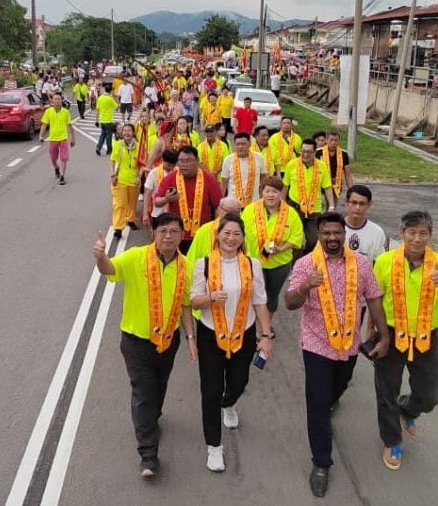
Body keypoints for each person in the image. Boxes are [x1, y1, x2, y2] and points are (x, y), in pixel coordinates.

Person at [284, 212, 389, 497]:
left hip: (349, 344)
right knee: (317, 403)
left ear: (345, 235)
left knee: (338, 387)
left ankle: (331, 401)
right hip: (316, 344)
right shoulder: (306, 265)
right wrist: (307, 285)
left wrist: (384, 334)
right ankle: (321, 462)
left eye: (336, 233)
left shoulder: (362, 264)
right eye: (326, 233)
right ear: (319, 235)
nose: (332, 238)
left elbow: (374, 298)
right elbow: (290, 303)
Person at [92, 213, 197, 478]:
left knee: (159, 386)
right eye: (163, 232)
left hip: (168, 342)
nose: (168, 237)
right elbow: (109, 270)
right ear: (154, 233)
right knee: (143, 391)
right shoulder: (136, 256)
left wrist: (190, 339)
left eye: (174, 232)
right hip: (136, 342)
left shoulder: (186, 267)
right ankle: (148, 455)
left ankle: (153, 415)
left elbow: (185, 305)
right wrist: (100, 256)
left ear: (182, 235)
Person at [372, 210, 438, 472]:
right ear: (402, 234)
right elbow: (375, 300)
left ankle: (407, 411)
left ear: (430, 235)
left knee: (431, 393)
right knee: (386, 392)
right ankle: (392, 441)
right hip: (391, 333)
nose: (417, 239)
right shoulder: (385, 261)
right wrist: (372, 334)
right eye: (411, 232)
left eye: (423, 233)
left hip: (425, 336)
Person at [190, 214, 273, 473]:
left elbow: (259, 301)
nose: (231, 238)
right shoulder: (203, 264)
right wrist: (210, 297)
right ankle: (214, 447)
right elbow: (194, 301)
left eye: (236, 234)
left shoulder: (252, 264)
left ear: (242, 238)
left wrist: (266, 336)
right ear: (217, 235)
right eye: (226, 233)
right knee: (210, 391)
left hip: (243, 333)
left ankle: (230, 404)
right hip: (211, 335)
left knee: (239, 382)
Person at [242, 175, 304, 318]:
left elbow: (297, 237)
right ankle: (257, 326)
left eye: (275, 192)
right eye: (267, 191)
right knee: (256, 294)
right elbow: (241, 234)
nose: (271, 195)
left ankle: (268, 323)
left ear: (281, 193)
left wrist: (281, 248)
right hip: (255, 261)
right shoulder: (249, 210)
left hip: (279, 264)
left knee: (272, 296)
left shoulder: (291, 214)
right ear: (261, 192)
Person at [155, 146, 223, 255]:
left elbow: (219, 206)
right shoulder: (171, 178)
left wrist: (217, 229)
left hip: (202, 233)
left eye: (189, 161)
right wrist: (166, 199)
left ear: (197, 161)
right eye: (181, 161)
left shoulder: (209, 178)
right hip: (177, 234)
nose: (184, 164)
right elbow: (157, 202)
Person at [282, 139, 333, 254]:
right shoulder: (292, 164)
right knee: (295, 238)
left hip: (314, 209)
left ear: (315, 152)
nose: (305, 154)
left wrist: (331, 206)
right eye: (303, 151)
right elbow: (285, 186)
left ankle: (306, 257)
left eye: (309, 152)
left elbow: (328, 187)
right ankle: (295, 261)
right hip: (295, 206)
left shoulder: (322, 166)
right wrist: (282, 204)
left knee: (313, 240)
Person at [185, 196, 242, 267]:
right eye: (228, 211)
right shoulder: (204, 230)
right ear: (219, 210)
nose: (231, 216)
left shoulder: (243, 231)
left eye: (235, 212)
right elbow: (191, 262)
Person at [109, 123, 141, 237]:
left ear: (133, 133)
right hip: (120, 180)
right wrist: (112, 174)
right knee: (120, 204)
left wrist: (139, 176)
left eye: (129, 131)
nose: (127, 133)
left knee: (132, 203)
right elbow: (112, 160)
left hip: (134, 181)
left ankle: (131, 220)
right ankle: (118, 228)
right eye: (124, 131)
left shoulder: (139, 147)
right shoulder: (118, 145)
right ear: (122, 133)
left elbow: (142, 164)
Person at [344, 185, 388, 263]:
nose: (357, 207)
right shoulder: (334, 229)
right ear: (346, 202)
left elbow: (380, 262)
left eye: (362, 204)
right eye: (354, 203)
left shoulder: (377, 232)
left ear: (369, 204)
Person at [39, 92, 76, 185]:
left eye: (59, 99)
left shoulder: (66, 112)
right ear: (52, 101)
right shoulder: (48, 111)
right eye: (55, 99)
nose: (57, 101)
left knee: (64, 158)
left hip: (63, 138)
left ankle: (62, 176)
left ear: (62, 100)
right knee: (53, 158)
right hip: (53, 139)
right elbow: (44, 124)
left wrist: (73, 139)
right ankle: (56, 167)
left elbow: (70, 126)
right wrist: (40, 135)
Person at [220, 132, 265, 208]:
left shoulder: (259, 157)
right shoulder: (228, 160)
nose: (240, 147)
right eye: (238, 144)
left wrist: (263, 198)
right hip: (233, 205)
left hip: (254, 204)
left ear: (249, 144)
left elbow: (263, 179)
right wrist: (220, 204)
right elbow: (224, 184)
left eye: (243, 144)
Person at [316, 129, 354, 211]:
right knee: (321, 208)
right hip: (320, 186)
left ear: (339, 141)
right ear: (326, 140)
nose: (333, 143)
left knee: (332, 209)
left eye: (336, 140)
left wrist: (351, 190)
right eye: (331, 140)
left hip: (335, 186)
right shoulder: (318, 153)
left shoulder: (344, 154)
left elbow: (348, 174)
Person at [143, 148, 178, 228]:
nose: (171, 168)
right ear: (162, 159)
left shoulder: (179, 172)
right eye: (169, 165)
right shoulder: (154, 173)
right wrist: (145, 213)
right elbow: (148, 192)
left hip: (175, 213)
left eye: (173, 165)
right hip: (157, 213)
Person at [95, 84, 117, 156]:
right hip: (108, 120)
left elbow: (97, 110)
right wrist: (114, 97)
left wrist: (96, 120)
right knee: (108, 136)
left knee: (102, 134)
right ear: (110, 91)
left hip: (102, 120)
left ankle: (98, 147)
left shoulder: (100, 98)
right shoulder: (110, 99)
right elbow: (117, 107)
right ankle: (109, 150)